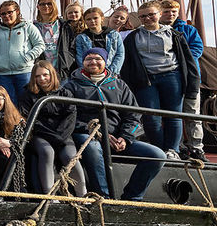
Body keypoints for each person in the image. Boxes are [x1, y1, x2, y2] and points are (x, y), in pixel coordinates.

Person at [63, 49, 166, 200]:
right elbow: (68, 118)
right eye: (88, 59)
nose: (93, 62)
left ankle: (132, 197)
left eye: (97, 58)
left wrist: (125, 137)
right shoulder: (70, 86)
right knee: (92, 147)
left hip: (118, 139)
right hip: (89, 136)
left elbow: (134, 116)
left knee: (157, 156)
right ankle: (104, 196)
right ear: (83, 62)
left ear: (105, 62)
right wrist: (96, 132)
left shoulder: (119, 85)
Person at [121, 0, 199, 159]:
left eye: (151, 14)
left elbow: (187, 59)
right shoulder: (132, 37)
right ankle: (158, 150)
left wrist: (192, 84)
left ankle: (172, 150)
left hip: (172, 76)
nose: (147, 18)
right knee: (150, 118)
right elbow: (127, 63)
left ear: (159, 14)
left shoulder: (175, 35)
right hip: (145, 80)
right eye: (143, 16)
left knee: (173, 115)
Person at [19, 60, 86, 196]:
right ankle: (50, 195)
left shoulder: (65, 93)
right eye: (38, 76)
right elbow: (30, 120)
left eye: (45, 75)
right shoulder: (27, 95)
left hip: (63, 134)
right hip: (40, 135)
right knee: (47, 152)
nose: (42, 79)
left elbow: (70, 117)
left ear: (52, 74)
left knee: (70, 156)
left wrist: (60, 136)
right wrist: (52, 136)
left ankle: (82, 194)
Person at [160, 0, 205, 161]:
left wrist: (180, 59)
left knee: (193, 113)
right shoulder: (155, 30)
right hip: (168, 78)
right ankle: (175, 147)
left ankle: (197, 147)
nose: (170, 14)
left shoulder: (189, 30)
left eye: (174, 12)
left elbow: (197, 48)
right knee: (173, 114)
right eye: (166, 11)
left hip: (190, 77)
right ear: (160, 13)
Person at [0, 0, 44, 109]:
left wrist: (27, 58)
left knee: (28, 103)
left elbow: (40, 45)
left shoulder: (28, 27)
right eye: (3, 14)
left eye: (9, 12)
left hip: (24, 72)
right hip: (3, 74)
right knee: (8, 105)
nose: (6, 16)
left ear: (17, 11)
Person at [75, 7, 125, 75]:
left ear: (102, 18)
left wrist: (112, 71)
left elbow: (120, 54)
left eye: (95, 18)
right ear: (85, 21)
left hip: (111, 73)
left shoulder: (114, 35)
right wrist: (87, 71)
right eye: (88, 19)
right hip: (89, 73)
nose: (92, 21)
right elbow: (79, 56)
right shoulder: (81, 38)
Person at [33, 0, 63, 69]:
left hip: (61, 67)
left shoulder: (63, 25)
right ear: (38, 7)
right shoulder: (33, 27)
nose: (46, 6)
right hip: (42, 68)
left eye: (49, 4)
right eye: (42, 4)